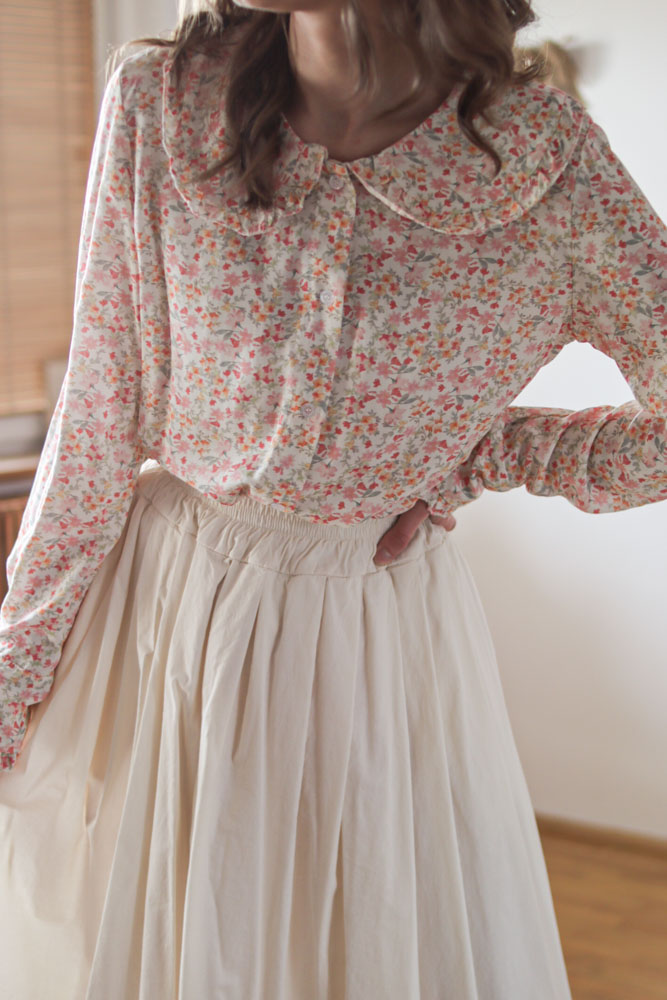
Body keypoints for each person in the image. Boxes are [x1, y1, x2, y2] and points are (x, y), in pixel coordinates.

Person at [0, 0, 665, 996]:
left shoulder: (542, 162)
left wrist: (479, 455)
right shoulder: (163, 101)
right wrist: (14, 669)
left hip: (365, 633)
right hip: (163, 617)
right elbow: (100, 412)